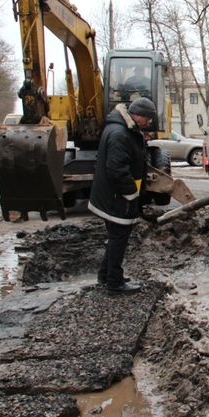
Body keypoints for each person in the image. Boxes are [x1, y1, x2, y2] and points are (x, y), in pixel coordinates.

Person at [87, 97, 156, 293]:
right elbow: (117, 169)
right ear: (137, 115)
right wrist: (131, 193)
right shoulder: (120, 134)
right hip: (118, 197)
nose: (148, 123)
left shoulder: (119, 129)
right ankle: (115, 283)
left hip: (112, 196)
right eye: (147, 119)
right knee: (119, 238)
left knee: (115, 236)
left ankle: (105, 275)